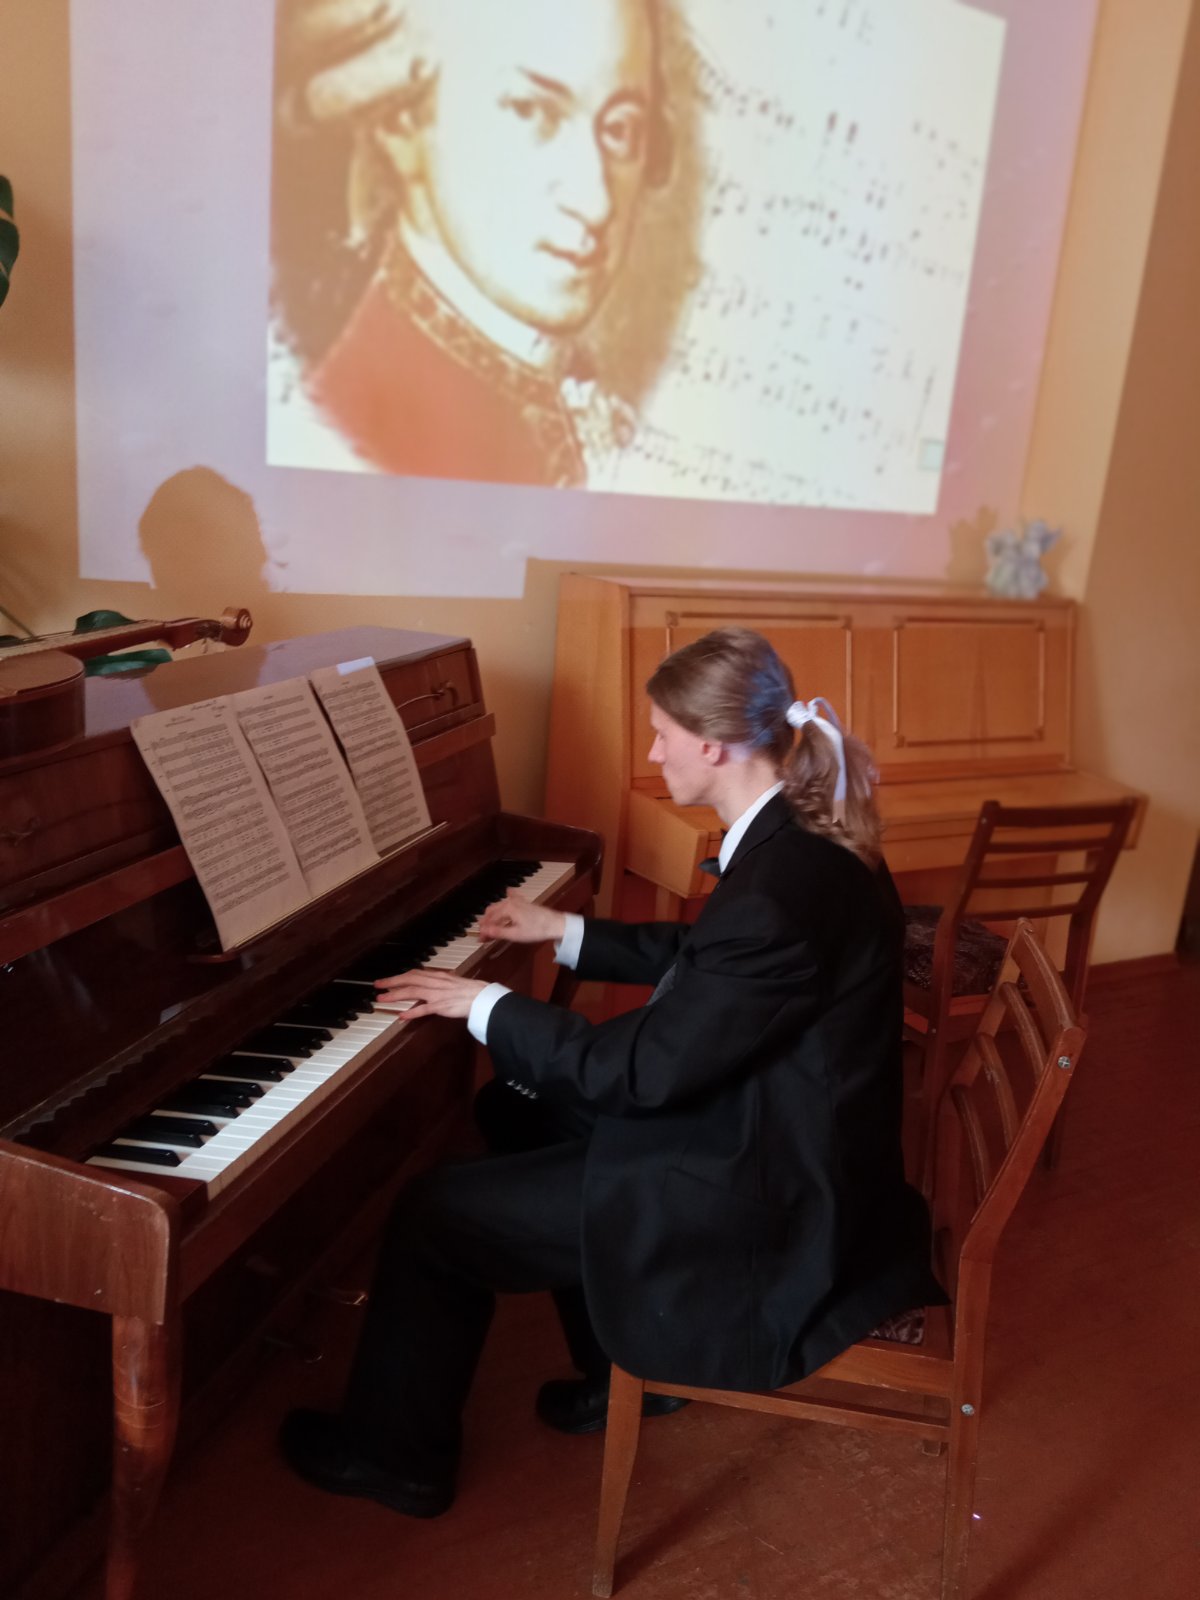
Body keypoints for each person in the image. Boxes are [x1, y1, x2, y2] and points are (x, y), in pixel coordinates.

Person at [279, 626, 943, 1517]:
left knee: (434, 1211)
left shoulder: (782, 887)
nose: (654, 752)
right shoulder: (808, 835)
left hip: (765, 1200)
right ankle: (617, 1357)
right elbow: (716, 963)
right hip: (779, 1134)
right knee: (517, 1112)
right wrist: (567, 932)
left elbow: (641, 1075)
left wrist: (481, 1006)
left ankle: (394, 1458)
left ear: (714, 746)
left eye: (662, 734)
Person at [272, 0, 671, 486]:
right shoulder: (352, 431)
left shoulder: (589, 418)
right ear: (400, 122)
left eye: (621, 130)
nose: (597, 202)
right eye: (529, 110)